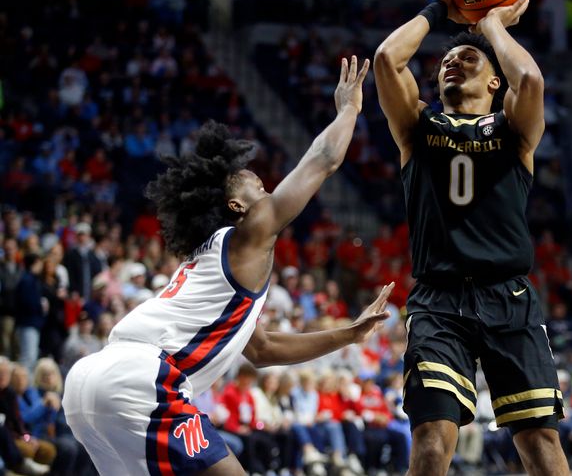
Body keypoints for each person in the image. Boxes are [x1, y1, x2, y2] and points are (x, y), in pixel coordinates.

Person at [62, 57, 394, 476]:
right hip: (142, 377)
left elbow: (263, 349)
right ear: (237, 207)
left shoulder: (211, 260)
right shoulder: (246, 238)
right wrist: (349, 109)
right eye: (258, 186)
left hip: (90, 380)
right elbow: (322, 159)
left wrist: (349, 334)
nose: (269, 190)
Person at [374, 0, 567, 476]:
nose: (452, 63)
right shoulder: (417, 124)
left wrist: (492, 26)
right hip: (438, 300)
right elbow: (387, 58)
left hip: (509, 296)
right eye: (447, 60)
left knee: (540, 444)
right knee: (434, 442)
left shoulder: (513, 129)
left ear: (495, 81)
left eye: (468, 58)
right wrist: (440, 7)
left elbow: (529, 78)